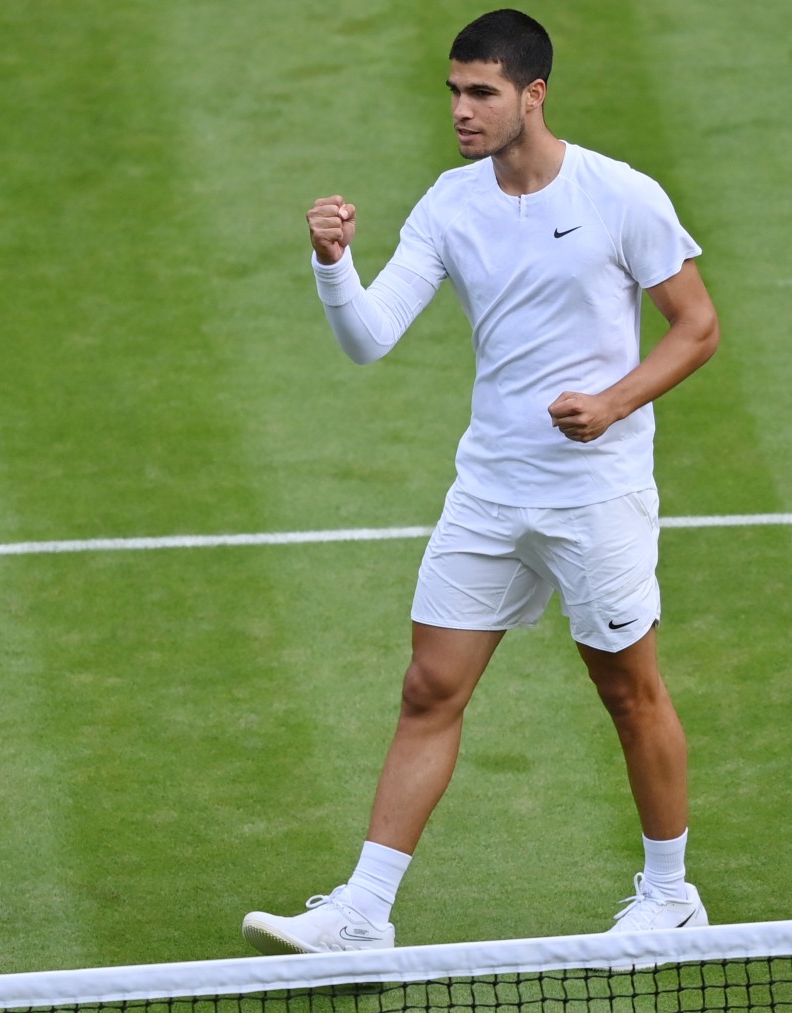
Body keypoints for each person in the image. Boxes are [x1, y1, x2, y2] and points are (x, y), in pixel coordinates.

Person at [242, 8, 720, 954]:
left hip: (596, 494)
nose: (461, 110)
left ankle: (670, 894)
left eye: (482, 93)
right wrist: (334, 265)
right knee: (430, 688)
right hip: (491, 493)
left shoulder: (622, 195)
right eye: (455, 91)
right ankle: (363, 911)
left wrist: (615, 403)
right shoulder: (450, 204)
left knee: (630, 691)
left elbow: (696, 325)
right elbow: (369, 338)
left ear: (532, 95)